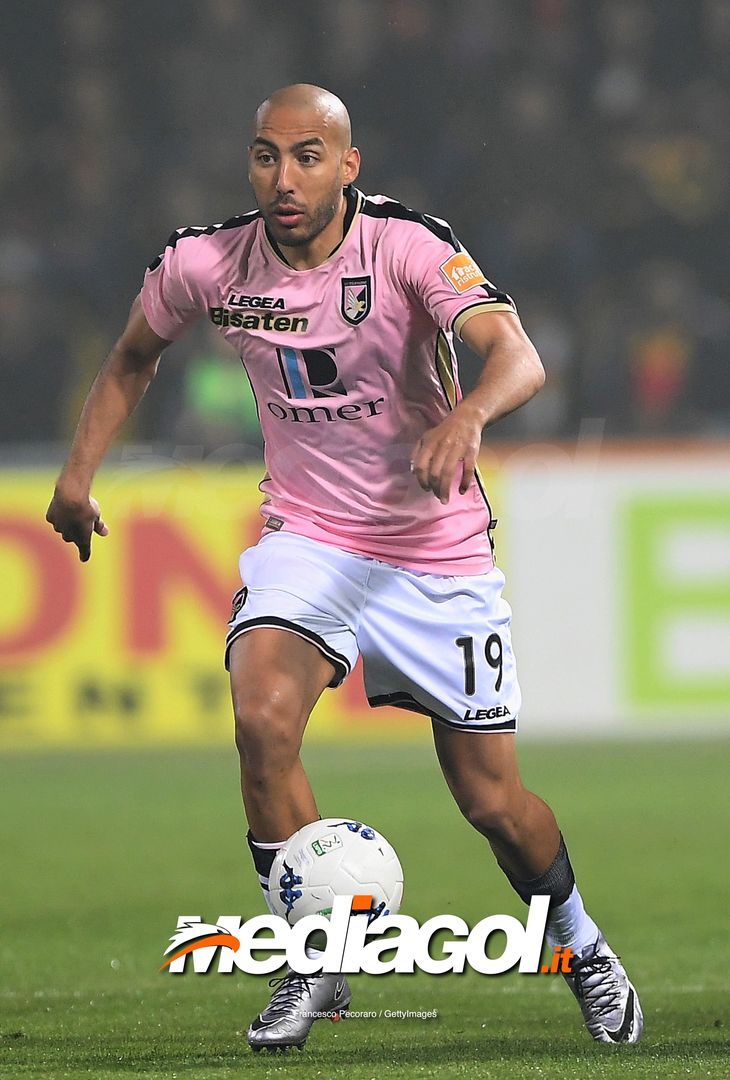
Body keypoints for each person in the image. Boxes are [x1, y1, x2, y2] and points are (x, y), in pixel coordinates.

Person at [46, 84, 643, 1051]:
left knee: (493, 801)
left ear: (348, 165)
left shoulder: (406, 247)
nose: (284, 179)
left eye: (308, 157)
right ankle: (316, 961)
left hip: (434, 550)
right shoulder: (204, 262)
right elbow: (129, 359)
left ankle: (581, 943)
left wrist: (467, 413)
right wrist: (78, 477)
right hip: (310, 538)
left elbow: (518, 356)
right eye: (266, 156)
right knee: (260, 718)